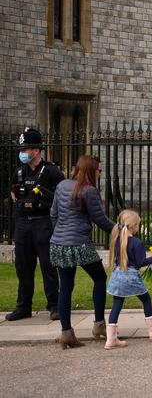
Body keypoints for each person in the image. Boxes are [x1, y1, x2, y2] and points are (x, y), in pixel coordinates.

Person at [49, 154, 115, 349]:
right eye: (99, 170)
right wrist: (122, 229)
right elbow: (101, 220)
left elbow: (53, 214)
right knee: (100, 279)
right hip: (79, 244)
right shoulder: (89, 191)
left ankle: (66, 332)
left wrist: (60, 234)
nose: (101, 173)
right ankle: (99, 325)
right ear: (91, 170)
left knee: (66, 287)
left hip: (58, 244)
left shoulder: (62, 185)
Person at [7, 127, 65, 321]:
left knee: (48, 266)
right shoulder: (19, 172)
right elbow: (14, 195)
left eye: (26, 149)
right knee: (23, 267)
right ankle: (23, 306)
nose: (22, 153)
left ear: (37, 150)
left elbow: (62, 196)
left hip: (43, 223)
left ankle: (54, 305)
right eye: (21, 150)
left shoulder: (51, 171)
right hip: (24, 224)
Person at [105, 209, 152, 349]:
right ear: (133, 225)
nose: (139, 227)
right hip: (131, 277)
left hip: (117, 276)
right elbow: (140, 262)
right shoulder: (137, 243)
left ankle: (111, 339)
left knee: (117, 304)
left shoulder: (116, 240)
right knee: (146, 299)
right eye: (138, 224)